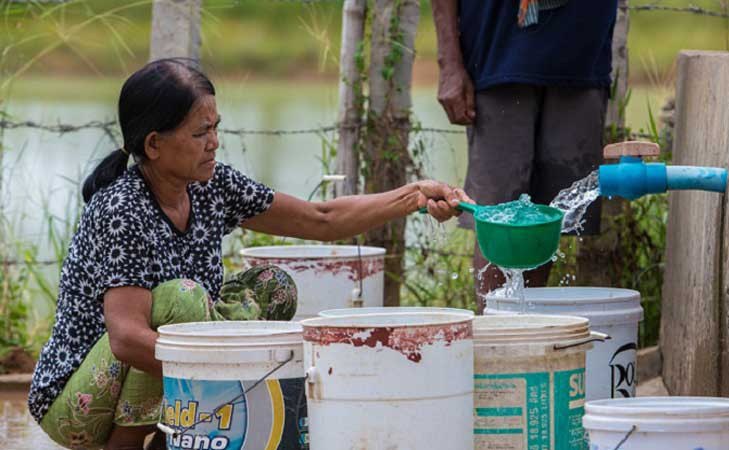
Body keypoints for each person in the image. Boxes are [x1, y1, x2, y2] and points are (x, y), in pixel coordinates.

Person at [28, 58, 470, 450]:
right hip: (82, 407)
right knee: (181, 299)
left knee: (272, 287)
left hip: (164, 368)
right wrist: (229, 366)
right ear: (154, 145)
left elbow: (320, 218)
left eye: (216, 127)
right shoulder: (122, 208)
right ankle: (127, 444)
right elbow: (126, 339)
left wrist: (413, 195)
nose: (214, 142)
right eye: (201, 132)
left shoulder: (211, 184)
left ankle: (175, 436)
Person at [431, 0, 618, 308]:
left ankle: (526, 334)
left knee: (549, 218)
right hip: (499, 55)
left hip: (581, 53)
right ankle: (495, 339)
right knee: (499, 218)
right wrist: (449, 61)